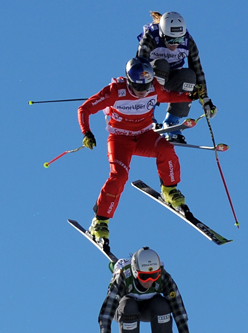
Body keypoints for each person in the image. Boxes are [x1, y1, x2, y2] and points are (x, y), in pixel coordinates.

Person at [78, 57, 194, 242]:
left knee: (166, 149)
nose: (142, 91)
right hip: (120, 139)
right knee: (119, 176)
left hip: (144, 136)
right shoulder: (115, 91)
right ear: (129, 80)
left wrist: (193, 96)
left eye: (146, 86)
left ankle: (169, 190)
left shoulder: (154, 88)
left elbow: (170, 96)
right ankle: (100, 221)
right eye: (138, 87)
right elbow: (84, 109)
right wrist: (87, 133)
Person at [98, 247, 196, 333]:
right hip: (122, 310)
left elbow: (179, 311)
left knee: (162, 305)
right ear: (135, 272)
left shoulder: (163, 277)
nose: (149, 281)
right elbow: (105, 314)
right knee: (129, 305)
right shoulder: (124, 277)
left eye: (154, 275)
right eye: (144, 276)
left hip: (147, 309)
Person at [136, 11, 216, 143]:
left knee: (190, 76)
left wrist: (205, 98)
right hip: (152, 79)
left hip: (174, 80)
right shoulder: (151, 36)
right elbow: (140, 64)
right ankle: (148, 116)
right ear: (162, 34)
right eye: (171, 40)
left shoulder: (188, 41)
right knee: (161, 65)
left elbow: (197, 70)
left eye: (178, 40)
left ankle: (171, 122)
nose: (175, 45)